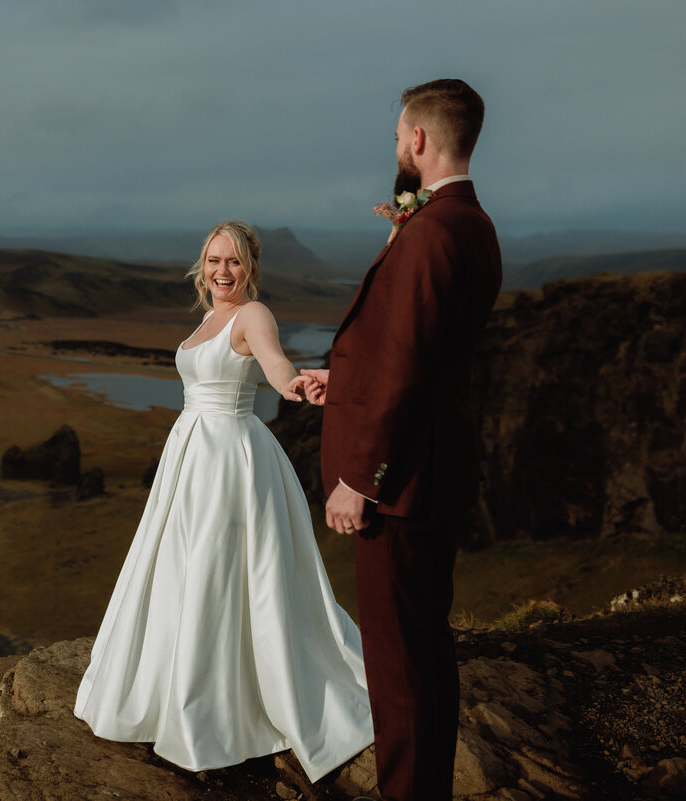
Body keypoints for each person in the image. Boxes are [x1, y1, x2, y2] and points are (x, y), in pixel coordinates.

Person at [74, 220, 374, 782]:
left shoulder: (252, 315)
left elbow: (275, 366)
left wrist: (297, 385)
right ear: (201, 266)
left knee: (221, 569)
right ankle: (176, 686)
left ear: (250, 267)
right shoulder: (209, 317)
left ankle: (215, 706)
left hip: (229, 457)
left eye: (233, 261)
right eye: (213, 261)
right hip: (190, 455)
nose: (222, 272)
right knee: (182, 566)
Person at [295, 79, 502, 801]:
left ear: (418, 139)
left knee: (398, 663)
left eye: (397, 138)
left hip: (401, 484)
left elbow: (407, 363)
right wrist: (341, 377)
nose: (396, 150)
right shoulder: (471, 223)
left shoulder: (434, 233)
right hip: (433, 471)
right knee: (422, 647)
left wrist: (362, 477)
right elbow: (408, 352)